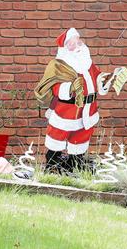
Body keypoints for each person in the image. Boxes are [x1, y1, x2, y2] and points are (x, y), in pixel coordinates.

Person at [34, 28, 118, 173]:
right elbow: (55, 88)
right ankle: (53, 165)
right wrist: (70, 87)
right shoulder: (59, 65)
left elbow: (97, 77)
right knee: (57, 138)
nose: (77, 46)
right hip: (66, 112)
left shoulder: (88, 63)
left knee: (80, 138)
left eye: (78, 41)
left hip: (87, 110)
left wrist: (107, 79)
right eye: (72, 43)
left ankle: (75, 165)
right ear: (65, 48)